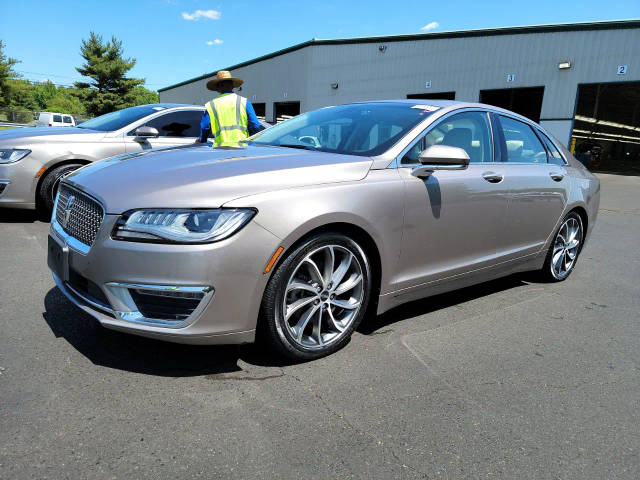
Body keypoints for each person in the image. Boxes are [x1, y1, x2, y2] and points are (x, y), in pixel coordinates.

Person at [198, 70, 265, 145]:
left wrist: (202, 140)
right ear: (232, 86)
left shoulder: (211, 105)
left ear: (218, 88)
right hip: (242, 149)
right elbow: (255, 125)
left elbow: (205, 127)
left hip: (220, 149)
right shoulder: (244, 101)